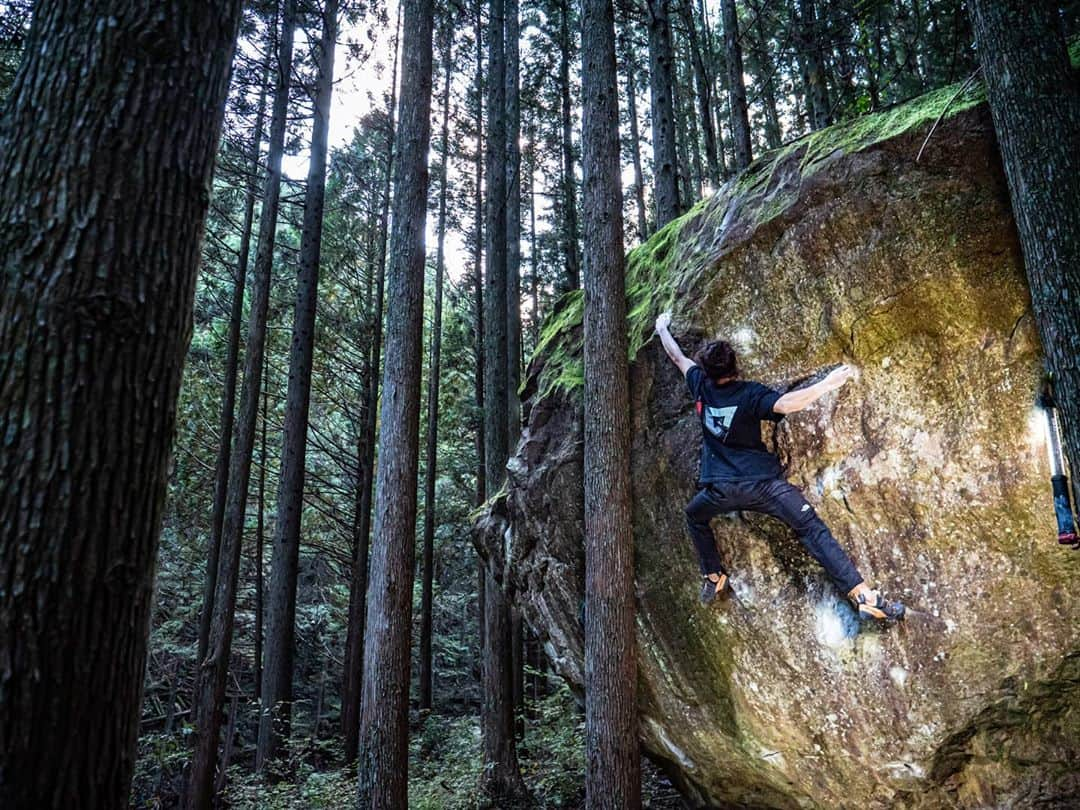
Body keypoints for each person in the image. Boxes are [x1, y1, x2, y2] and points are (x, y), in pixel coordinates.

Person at [654, 312, 905, 620]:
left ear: (706, 371)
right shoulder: (749, 393)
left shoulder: (699, 386)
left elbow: (676, 356)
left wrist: (661, 327)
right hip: (763, 486)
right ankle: (863, 596)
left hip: (719, 490)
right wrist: (828, 383)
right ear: (735, 366)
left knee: (694, 515)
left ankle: (714, 576)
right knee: (811, 529)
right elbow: (786, 404)